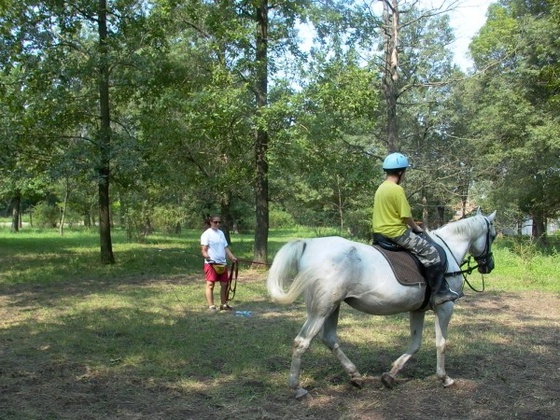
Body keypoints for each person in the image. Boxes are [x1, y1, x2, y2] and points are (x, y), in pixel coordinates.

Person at [372, 152, 459, 306]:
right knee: (431, 252)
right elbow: (405, 216)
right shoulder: (396, 190)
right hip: (395, 233)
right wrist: (416, 228)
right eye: (404, 171)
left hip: (379, 233)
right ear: (400, 172)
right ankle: (439, 293)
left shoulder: (381, 188)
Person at [200, 215, 238, 312]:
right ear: (210, 222)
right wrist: (206, 256)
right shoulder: (206, 234)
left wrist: (232, 257)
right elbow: (204, 249)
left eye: (219, 222)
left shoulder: (221, 233)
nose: (217, 224)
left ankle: (223, 304)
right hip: (211, 264)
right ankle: (211, 306)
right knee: (210, 284)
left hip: (222, 263)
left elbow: (225, 248)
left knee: (224, 284)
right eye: (215, 222)